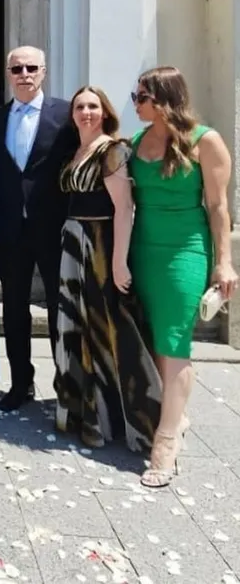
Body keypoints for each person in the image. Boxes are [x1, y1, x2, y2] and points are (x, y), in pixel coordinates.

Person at [130, 66, 238, 487]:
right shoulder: (136, 142)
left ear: (163, 100)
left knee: (174, 340)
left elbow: (219, 207)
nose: (135, 103)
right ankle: (174, 415)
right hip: (143, 249)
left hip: (185, 252)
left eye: (141, 97)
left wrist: (224, 262)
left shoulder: (205, 141)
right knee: (155, 336)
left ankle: (166, 439)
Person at [53, 86, 162, 451]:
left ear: (105, 112)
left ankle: (110, 415)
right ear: (72, 114)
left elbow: (124, 208)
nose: (86, 112)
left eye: (93, 106)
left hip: (100, 246)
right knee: (78, 326)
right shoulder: (77, 151)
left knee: (105, 328)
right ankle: (83, 408)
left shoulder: (111, 150)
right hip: (73, 243)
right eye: (80, 106)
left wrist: (118, 261)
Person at [0, 46, 76, 411]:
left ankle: (65, 386)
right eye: (17, 68)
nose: (24, 74)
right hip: (11, 231)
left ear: (44, 71)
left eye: (31, 68)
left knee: (59, 309)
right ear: (8, 73)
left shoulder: (68, 114)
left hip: (54, 229)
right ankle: (20, 383)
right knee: (14, 309)